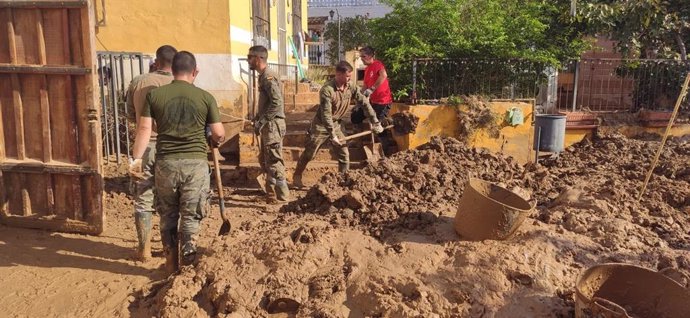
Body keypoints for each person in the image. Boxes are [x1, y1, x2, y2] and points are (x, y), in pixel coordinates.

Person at [130, 51, 225, 273]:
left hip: (166, 164)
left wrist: (135, 162)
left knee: (168, 215)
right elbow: (219, 133)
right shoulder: (205, 97)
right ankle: (188, 265)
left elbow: (144, 130)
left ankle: (171, 265)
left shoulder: (155, 96)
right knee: (191, 215)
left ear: (172, 71)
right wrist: (215, 139)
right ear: (195, 71)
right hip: (196, 165)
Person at [292, 61, 383, 188]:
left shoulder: (350, 86)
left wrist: (375, 121)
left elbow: (364, 103)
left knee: (344, 154)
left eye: (350, 76)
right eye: (347, 76)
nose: (349, 78)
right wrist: (332, 135)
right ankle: (297, 176)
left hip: (337, 124)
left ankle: (343, 181)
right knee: (310, 153)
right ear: (338, 74)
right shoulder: (327, 90)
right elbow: (326, 115)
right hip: (321, 125)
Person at [125, 44, 177, 261]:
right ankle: (169, 250)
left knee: (143, 197)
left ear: (156, 61)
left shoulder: (138, 82)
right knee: (169, 200)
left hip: (144, 147)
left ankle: (143, 248)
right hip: (171, 149)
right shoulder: (180, 84)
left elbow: (129, 113)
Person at [247, 45, 290, 203]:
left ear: (258, 59)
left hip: (273, 125)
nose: (248, 60)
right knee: (266, 159)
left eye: (250, 57)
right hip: (269, 124)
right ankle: (271, 194)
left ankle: (283, 196)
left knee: (273, 160)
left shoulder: (268, 76)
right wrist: (258, 118)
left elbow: (276, 103)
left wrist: (263, 121)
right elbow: (267, 103)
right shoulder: (263, 76)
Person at [352, 46, 395, 155]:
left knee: (377, 125)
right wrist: (359, 98)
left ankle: (384, 148)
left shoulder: (377, 65)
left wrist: (372, 89)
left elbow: (383, 75)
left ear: (371, 56)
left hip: (383, 101)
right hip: (372, 102)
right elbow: (365, 85)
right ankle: (358, 141)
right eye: (360, 56)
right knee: (356, 115)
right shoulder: (367, 69)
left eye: (364, 56)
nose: (361, 58)